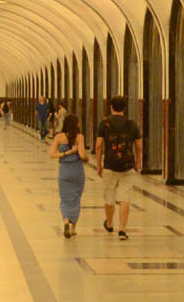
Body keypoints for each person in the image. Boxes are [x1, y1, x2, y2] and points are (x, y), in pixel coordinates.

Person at [95, 94, 142, 240]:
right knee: (125, 197)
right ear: (124, 107)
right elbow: (139, 146)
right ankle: (122, 229)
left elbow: (98, 146)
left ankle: (109, 224)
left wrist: (98, 165)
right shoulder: (131, 123)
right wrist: (138, 162)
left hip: (109, 164)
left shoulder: (104, 123)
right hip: (127, 165)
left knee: (109, 196)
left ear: (111, 107)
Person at [49, 112, 91, 236]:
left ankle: (66, 220)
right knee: (76, 198)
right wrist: (85, 157)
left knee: (65, 198)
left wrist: (65, 153)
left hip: (64, 171)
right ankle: (73, 228)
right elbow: (83, 155)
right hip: (77, 171)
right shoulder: (79, 137)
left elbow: (51, 154)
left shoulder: (59, 137)